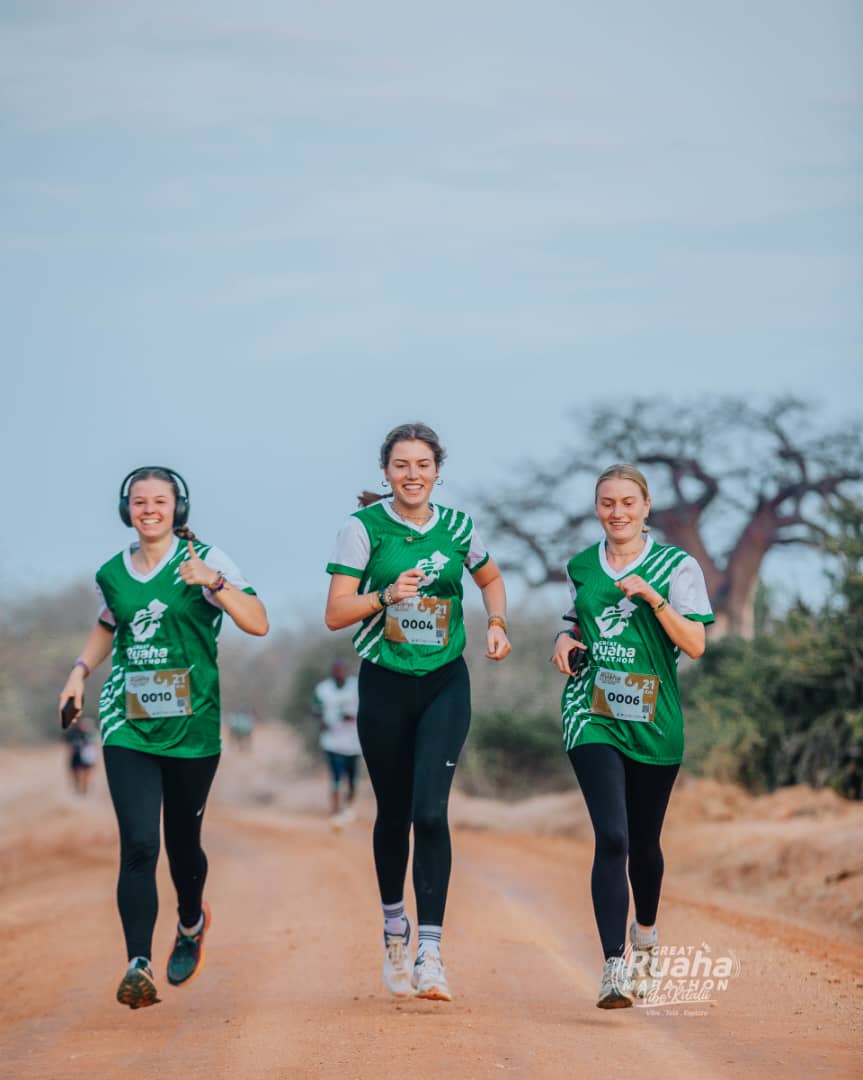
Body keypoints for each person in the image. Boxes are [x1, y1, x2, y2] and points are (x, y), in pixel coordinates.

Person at [58, 466, 268, 1010]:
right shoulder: (112, 572)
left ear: (179, 508)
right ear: (125, 508)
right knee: (139, 844)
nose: (149, 509)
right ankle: (138, 964)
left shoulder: (206, 561)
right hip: (128, 722)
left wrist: (214, 584)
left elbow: (258, 622)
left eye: (160, 501)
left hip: (194, 727)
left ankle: (191, 922)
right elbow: (109, 623)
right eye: (139, 501)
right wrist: (79, 672)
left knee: (181, 844)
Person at [325, 422, 512, 1002]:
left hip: (444, 683)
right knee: (395, 813)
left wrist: (498, 623)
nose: (412, 474)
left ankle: (430, 951)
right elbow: (335, 613)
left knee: (431, 814)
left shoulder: (458, 528)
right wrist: (385, 596)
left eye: (422, 464)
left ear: (437, 471)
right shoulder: (362, 529)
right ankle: (394, 930)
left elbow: (491, 577)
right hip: (383, 684)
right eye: (401, 465)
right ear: (386, 472)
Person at [550, 463, 714, 1009]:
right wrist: (563, 639)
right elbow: (578, 619)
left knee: (644, 845)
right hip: (592, 710)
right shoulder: (580, 564)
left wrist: (653, 597)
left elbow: (694, 645)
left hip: (655, 718)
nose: (616, 512)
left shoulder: (675, 565)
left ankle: (646, 935)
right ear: (596, 507)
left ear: (646, 507)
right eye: (606, 503)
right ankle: (613, 967)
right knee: (613, 838)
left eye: (627, 502)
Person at [312, 658, 361, 827]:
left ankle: (349, 806)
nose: (339, 673)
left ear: (346, 671)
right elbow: (316, 709)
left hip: (353, 742)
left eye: (342, 670)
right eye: (336, 670)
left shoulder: (355, 686)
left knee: (353, 780)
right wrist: (322, 720)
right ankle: (335, 810)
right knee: (336, 778)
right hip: (332, 741)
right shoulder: (323, 689)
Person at [66, 716, 98, 795]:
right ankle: (78, 785)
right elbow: (67, 742)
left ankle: (85, 788)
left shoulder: (92, 734)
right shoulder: (73, 733)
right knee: (76, 773)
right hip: (76, 756)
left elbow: (95, 745)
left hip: (88, 756)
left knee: (87, 772)